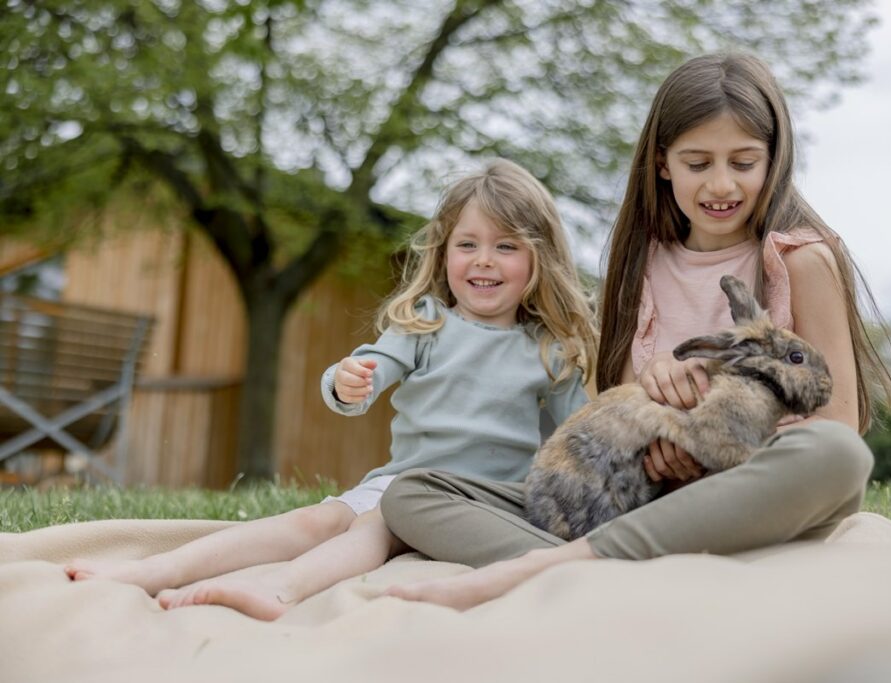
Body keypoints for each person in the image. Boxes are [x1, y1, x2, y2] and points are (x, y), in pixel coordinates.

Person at [378, 53, 891, 610]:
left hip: (755, 498)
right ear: (662, 163)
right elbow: (620, 409)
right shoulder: (643, 265)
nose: (721, 183)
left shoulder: (803, 260)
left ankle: (566, 566)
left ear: (774, 160)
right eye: (697, 162)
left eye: (744, 162)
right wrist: (661, 405)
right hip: (649, 503)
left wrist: (717, 450)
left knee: (838, 456)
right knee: (413, 493)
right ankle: (610, 568)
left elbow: (839, 420)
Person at [64, 159, 597, 621]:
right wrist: (347, 383)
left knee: (376, 527)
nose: (484, 260)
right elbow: (366, 373)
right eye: (468, 244)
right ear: (443, 253)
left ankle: (280, 589)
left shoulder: (551, 350)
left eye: (506, 247)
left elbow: (580, 440)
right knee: (317, 519)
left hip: (480, 505)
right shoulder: (424, 323)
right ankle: (151, 570)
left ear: (538, 259)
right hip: (401, 483)